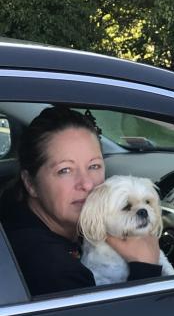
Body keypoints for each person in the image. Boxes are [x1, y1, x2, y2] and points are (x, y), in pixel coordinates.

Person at [0, 106, 164, 296]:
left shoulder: (25, 217)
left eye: (94, 166)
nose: (87, 184)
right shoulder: (54, 269)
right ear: (30, 183)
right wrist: (145, 268)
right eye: (65, 170)